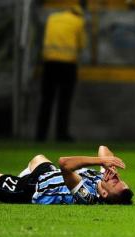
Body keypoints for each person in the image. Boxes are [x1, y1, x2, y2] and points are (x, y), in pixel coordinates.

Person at [0, 146, 134, 205]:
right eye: (119, 178)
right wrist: (109, 164)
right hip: (47, 174)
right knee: (38, 158)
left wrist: (100, 162)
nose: (115, 177)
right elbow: (103, 149)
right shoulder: (103, 180)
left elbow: (64, 164)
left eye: (116, 182)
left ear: (104, 195)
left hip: (31, 189)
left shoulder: (89, 196)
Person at [36, 3, 87, 142]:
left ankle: (40, 135)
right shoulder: (78, 21)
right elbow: (82, 45)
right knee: (64, 102)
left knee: (46, 100)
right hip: (67, 65)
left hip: (49, 64)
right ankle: (61, 134)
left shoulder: (52, 18)